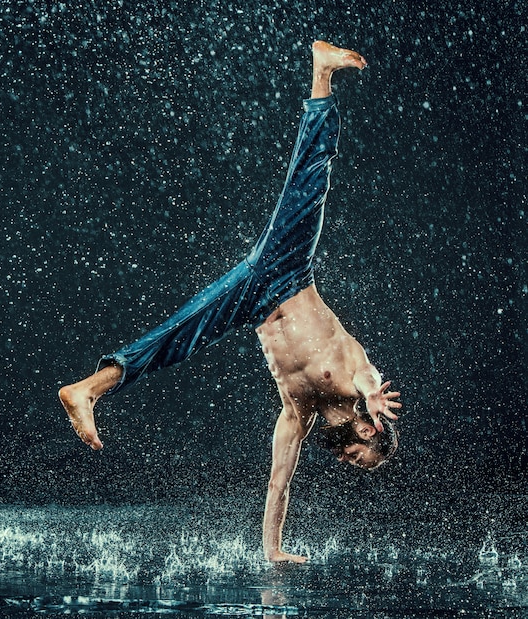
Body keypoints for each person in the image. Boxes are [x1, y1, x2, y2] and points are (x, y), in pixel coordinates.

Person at [59, 41, 401, 563]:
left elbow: (277, 488)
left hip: (250, 303)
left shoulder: (299, 412)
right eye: (362, 453)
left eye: (355, 462)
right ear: (370, 429)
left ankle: (88, 388)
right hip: (286, 273)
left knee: (176, 338)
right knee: (311, 180)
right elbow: (365, 375)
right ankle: (321, 74)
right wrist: (372, 397)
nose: (351, 459)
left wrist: (274, 552)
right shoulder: (358, 381)